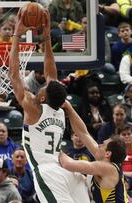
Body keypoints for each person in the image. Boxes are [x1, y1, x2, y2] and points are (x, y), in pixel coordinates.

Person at [9, 9, 90, 203]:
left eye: (43, 88)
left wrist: (17, 34)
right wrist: (46, 36)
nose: (42, 86)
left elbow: (14, 76)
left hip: (49, 173)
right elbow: (50, 69)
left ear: (43, 98)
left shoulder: (34, 108)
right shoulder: (60, 109)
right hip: (67, 168)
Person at [59, 100, 128, 202]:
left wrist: (53, 145)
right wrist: (69, 107)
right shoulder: (106, 160)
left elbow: (67, 164)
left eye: (102, 145)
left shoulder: (107, 168)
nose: (98, 145)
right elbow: (83, 132)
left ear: (107, 154)